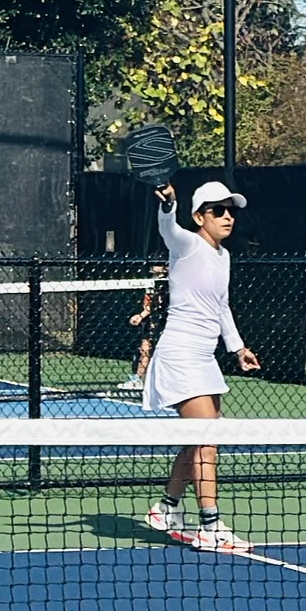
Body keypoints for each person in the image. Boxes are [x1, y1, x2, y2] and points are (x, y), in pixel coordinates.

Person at [144, 180, 261, 552]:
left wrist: (238, 347)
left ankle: (166, 509)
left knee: (200, 440)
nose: (227, 216)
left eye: (231, 210)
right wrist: (168, 206)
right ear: (199, 216)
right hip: (179, 356)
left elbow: (221, 306)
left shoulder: (223, 256)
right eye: (218, 210)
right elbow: (169, 229)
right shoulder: (188, 244)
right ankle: (210, 525)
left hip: (205, 358)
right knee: (207, 443)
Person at [117, 263, 168, 393]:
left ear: (165, 267)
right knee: (144, 349)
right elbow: (148, 304)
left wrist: (141, 316)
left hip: (162, 320)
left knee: (158, 351)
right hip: (151, 320)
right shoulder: (150, 281)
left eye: (157, 264)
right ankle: (137, 380)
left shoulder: (166, 284)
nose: (153, 266)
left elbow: (157, 305)